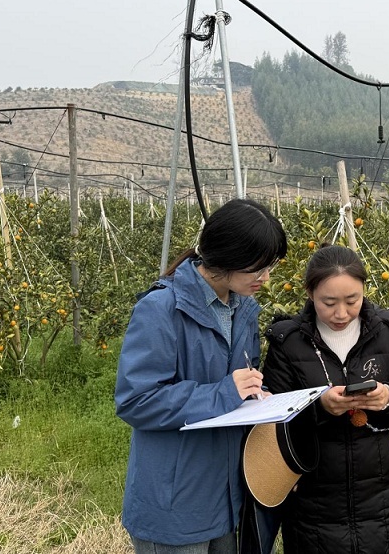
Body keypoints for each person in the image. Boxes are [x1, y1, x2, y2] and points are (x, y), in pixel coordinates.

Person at [115, 198, 287, 554]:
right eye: (258, 268)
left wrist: (257, 395)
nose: (266, 278)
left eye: (269, 267)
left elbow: (241, 377)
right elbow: (136, 400)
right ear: (228, 257)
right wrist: (225, 392)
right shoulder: (161, 309)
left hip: (228, 498)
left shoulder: (243, 309)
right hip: (175, 504)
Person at [261, 244, 389, 553]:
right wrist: (319, 407)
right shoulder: (289, 343)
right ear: (310, 293)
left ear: (364, 290)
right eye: (329, 303)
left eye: (352, 301)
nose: (341, 313)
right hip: (313, 503)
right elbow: (271, 423)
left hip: (381, 504)